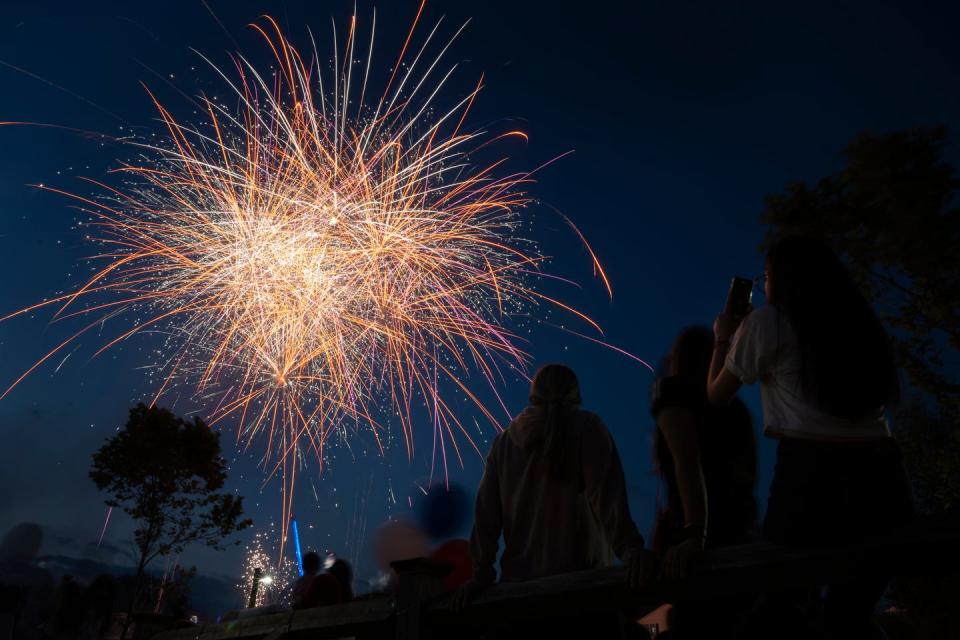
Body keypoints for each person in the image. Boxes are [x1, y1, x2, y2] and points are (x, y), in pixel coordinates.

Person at [706, 235, 913, 639]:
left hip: (811, 482)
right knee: (850, 615)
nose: (764, 284)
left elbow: (715, 395)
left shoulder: (768, 322)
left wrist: (724, 336)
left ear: (783, 277)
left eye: (766, 275)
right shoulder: (861, 323)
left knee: (778, 609)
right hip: (887, 484)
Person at [454, 364, 656, 613]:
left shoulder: (504, 443)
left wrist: (481, 573)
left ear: (533, 395)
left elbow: (485, 518)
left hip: (519, 597)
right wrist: (630, 549)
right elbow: (607, 497)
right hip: (583, 591)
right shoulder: (588, 428)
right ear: (575, 394)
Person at [651, 326, 757, 638]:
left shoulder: (672, 392)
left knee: (667, 624)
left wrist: (694, 533)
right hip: (740, 531)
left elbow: (687, 462)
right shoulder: (736, 408)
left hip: (695, 539)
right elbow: (746, 477)